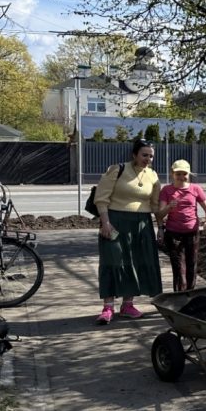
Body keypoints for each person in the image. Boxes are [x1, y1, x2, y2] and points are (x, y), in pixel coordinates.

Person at [92, 138, 163, 325]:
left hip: (141, 224)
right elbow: (101, 198)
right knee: (112, 261)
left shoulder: (153, 176)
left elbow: (154, 205)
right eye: (144, 155)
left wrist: (162, 225)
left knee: (135, 263)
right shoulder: (118, 169)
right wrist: (105, 222)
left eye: (151, 156)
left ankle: (127, 305)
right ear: (134, 155)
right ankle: (108, 308)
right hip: (115, 221)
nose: (148, 159)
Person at [158, 159, 206, 292]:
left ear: (188, 174)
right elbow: (159, 214)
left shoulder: (196, 189)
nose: (182, 177)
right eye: (178, 174)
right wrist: (169, 207)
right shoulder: (166, 190)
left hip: (192, 234)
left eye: (184, 174)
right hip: (173, 234)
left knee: (191, 265)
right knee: (178, 268)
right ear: (172, 174)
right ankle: (179, 296)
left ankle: (190, 294)